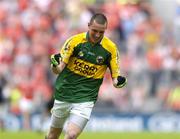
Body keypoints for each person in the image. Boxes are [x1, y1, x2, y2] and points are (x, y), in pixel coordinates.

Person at [46, 13, 127, 139]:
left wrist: (120, 82)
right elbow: (58, 69)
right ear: (88, 26)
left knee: (71, 135)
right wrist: (54, 65)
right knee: (52, 135)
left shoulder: (110, 48)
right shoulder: (74, 41)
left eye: (101, 32)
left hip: (85, 99)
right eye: (94, 30)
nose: (97, 35)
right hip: (64, 94)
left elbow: (115, 80)